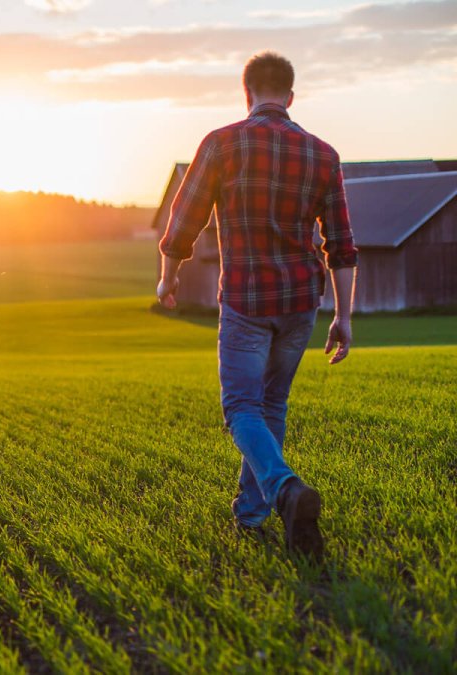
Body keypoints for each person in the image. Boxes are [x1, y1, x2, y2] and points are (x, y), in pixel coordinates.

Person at [156, 51, 358, 560]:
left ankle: (285, 490)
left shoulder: (222, 144)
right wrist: (344, 316)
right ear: (290, 97)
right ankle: (252, 515)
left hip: (246, 298)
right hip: (300, 301)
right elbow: (342, 245)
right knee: (271, 405)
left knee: (242, 407)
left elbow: (184, 223)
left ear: (246, 94)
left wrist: (168, 278)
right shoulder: (323, 155)